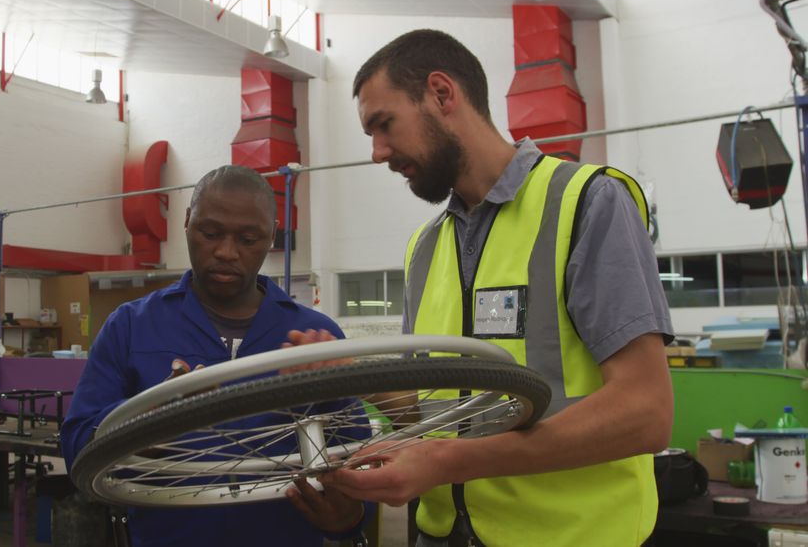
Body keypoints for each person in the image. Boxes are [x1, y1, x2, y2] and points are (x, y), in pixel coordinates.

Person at [316, 29, 675, 547]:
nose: (377, 152)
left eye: (384, 124)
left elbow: (646, 413)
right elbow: (439, 414)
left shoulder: (586, 203)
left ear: (442, 94)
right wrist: (350, 376)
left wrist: (448, 461)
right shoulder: (425, 247)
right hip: (443, 536)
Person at [61, 165, 371, 547]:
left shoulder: (316, 337)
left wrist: (348, 518)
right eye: (210, 233)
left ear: (272, 235)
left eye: (248, 238)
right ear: (188, 223)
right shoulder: (130, 327)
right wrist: (152, 426)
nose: (226, 252)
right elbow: (78, 448)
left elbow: (359, 457)